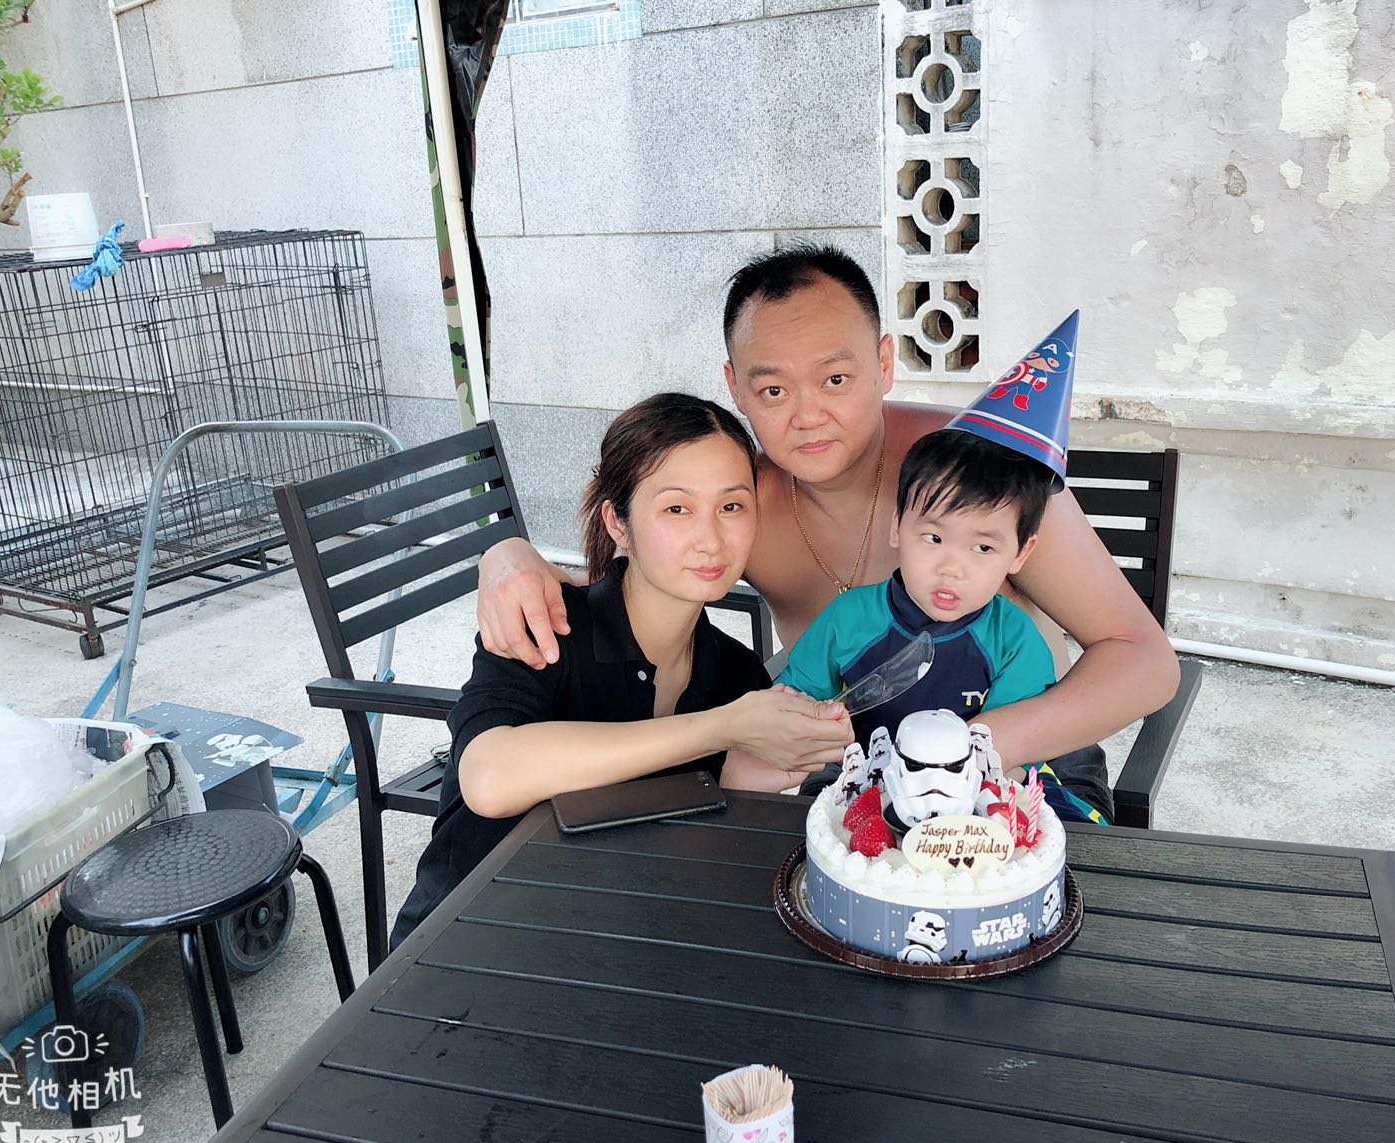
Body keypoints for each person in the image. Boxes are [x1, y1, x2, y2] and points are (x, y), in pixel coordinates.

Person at [472, 246, 1179, 819]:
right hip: (851, 769)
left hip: (1024, 760)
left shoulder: (976, 474)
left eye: (835, 379)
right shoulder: (743, 505)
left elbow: (1145, 661)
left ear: (883, 363)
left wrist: (956, 750)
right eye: (774, 390)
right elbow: (640, 574)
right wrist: (508, 556)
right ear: (736, 388)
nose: (807, 415)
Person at [390, 393, 850, 946]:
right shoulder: (544, 625)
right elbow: (488, 777)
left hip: (613, 935)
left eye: (731, 507)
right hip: (467, 940)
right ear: (618, 522)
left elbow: (704, 836)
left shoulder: (735, 673)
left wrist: (774, 766)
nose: (711, 540)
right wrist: (724, 726)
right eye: (676, 509)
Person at [733, 425, 1106, 824]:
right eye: (933, 538)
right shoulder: (847, 620)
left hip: (982, 797)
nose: (952, 568)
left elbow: (1004, 759)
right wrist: (798, 718)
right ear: (897, 526)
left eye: (983, 547)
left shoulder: (1015, 640)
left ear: (1020, 553)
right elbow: (797, 702)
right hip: (868, 782)